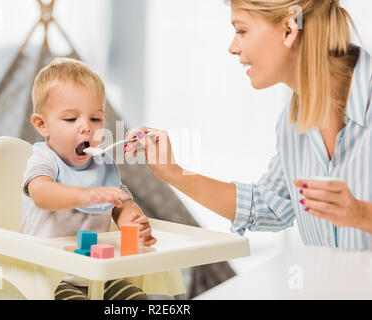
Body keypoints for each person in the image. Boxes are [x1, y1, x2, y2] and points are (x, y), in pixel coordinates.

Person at [124, 0, 371, 249]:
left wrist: (360, 213)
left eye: (241, 31)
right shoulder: (292, 124)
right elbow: (269, 205)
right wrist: (173, 173)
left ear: (289, 30)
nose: (233, 47)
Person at [21, 57, 156, 300]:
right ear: (42, 125)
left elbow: (122, 203)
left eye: (95, 119)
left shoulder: (102, 166)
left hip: (97, 273)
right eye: (71, 119)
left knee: (137, 299)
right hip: (47, 276)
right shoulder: (44, 159)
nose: (87, 127)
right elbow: (41, 194)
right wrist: (85, 195)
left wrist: (132, 224)